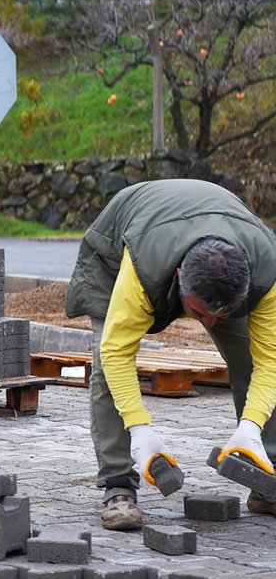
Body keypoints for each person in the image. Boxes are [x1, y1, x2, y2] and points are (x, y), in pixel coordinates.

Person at [65, 178, 276, 530]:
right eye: (200, 312)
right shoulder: (143, 267)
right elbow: (117, 352)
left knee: (252, 361)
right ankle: (119, 485)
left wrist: (251, 425)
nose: (207, 323)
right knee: (105, 368)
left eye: (219, 315)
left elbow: (270, 360)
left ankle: (266, 474)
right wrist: (140, 428)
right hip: (122, 245)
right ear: (179, 278)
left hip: (213, 235)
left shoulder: (267, 271)